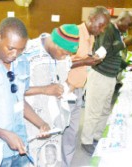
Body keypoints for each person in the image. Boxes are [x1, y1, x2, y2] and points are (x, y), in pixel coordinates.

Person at [0, 17, 50, 167]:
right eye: (11, 48)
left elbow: (19, 100)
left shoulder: (23, 62)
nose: (15, 54)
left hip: (19, 143)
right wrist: (5, 134)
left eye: (21, 49)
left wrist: (41, 123)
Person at [22, 24, 79, 166]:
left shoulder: (63, 56)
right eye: (65, 53)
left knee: (51, 160)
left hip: (55, 123)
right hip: (33, 123)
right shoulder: (26, 53)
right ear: (55, 44)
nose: (65, 57)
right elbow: (13, 91)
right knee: (34, 160)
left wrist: (66, 89)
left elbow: (64, 78)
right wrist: (45, 89)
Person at [81, 11, 132, 156]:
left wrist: (126, 65)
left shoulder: (116, 32)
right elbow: (102, 51)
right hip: (100, 75)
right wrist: (123, 43)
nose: (129, 27)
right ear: (121, 19)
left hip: (109, 77)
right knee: (94, 111)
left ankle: (96, 137)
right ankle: (86, 141)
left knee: (104, 110)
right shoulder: (109, 29)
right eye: (128, 24)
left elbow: (115, 55)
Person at [62, 6, 110, 166]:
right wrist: (86, 61)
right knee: (63, 130)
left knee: (72, 131)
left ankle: (66, 162)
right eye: (101, 25)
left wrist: (92, 59)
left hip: (79, 89)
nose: (102, 30)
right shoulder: (74, 33)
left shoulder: (91, 36)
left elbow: (82, 59)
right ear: (91, 19)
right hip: (66, 89)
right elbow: (61, 62)